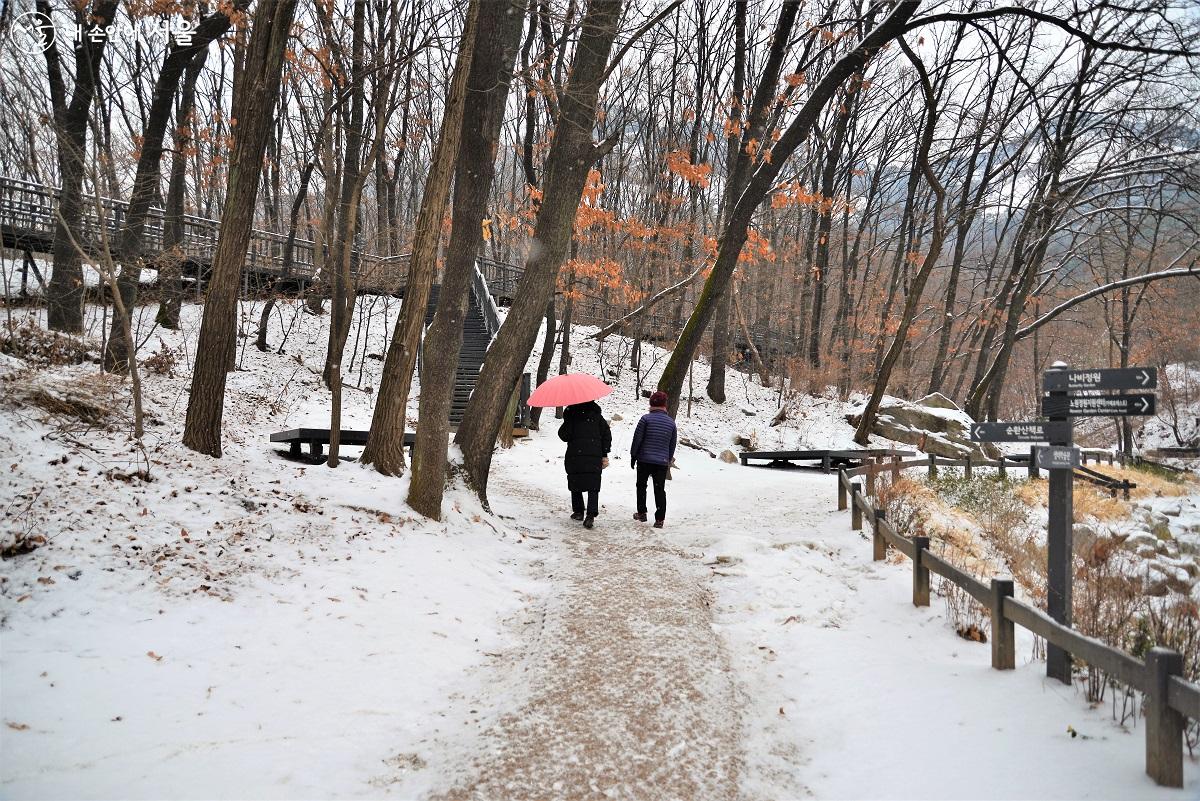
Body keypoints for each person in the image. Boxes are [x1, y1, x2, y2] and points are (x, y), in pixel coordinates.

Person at [557, 400, 611, 529]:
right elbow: (607, 435)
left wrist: (567, 420)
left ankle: (578, 511)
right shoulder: (597, 416)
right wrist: (605, 452)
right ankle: (591, 515)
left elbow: (564, 435)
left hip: (575, 454)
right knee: (593, 485)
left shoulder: (571, 414)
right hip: (594, 455)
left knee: (575, 480)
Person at [630, 390, 677, 528]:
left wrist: (633, 456)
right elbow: (672, 444)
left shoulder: (645, 419)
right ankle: (660, 519)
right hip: (661, 462)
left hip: (644, 459)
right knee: (659, 489)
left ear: (651, 404)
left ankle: (642, 512)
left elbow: (637, 440)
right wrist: (667, 459)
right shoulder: (671, 423)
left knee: (641, 486)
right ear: (665, 405)